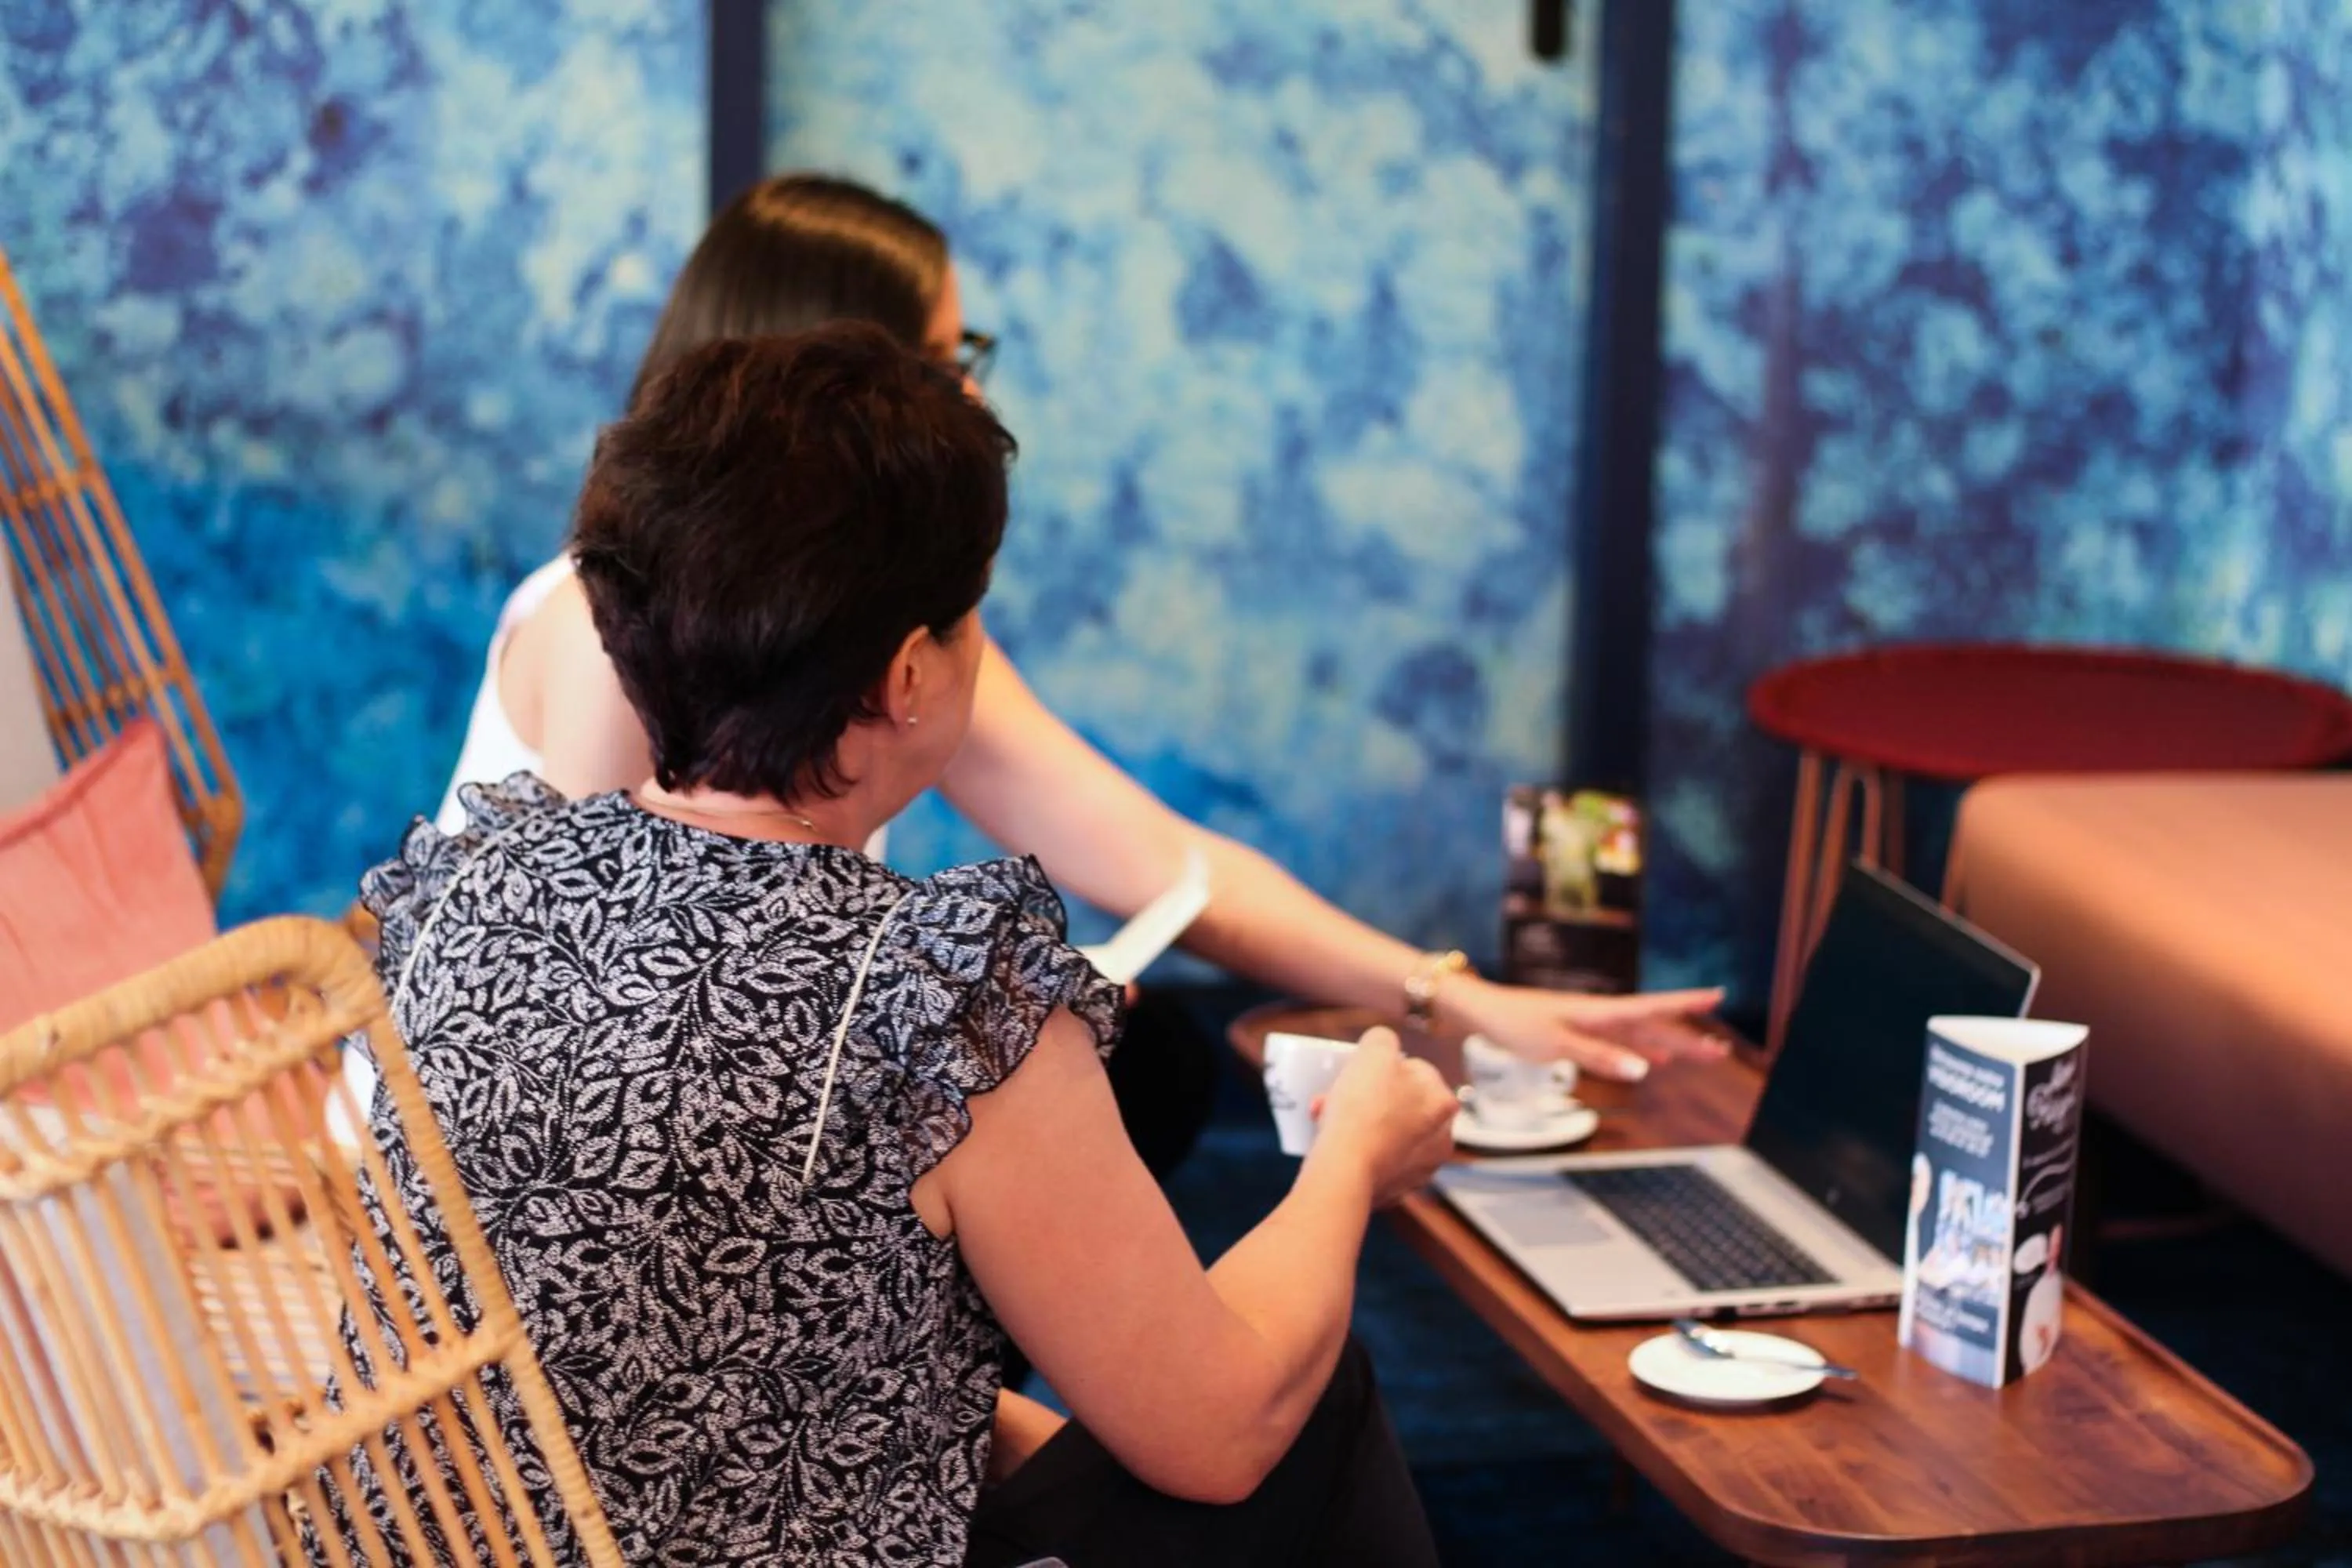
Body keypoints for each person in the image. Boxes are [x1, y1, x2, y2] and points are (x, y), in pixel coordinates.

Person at [336, 327, 1456, 1566]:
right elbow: (1221, 1427)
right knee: (1313, 1408)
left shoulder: (472, 888)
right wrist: (1350, 1162)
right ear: (909, 673)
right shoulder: (928, 1003)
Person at [434, 172, 1725, 1098]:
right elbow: (583, 1013)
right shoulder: (614, 629)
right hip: (525, 1189)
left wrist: (1464, 999)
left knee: (1124, 1070)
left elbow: (1170, 867)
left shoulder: (877, 635)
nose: (972, 394)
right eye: (942, 361)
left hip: (714, 1133)